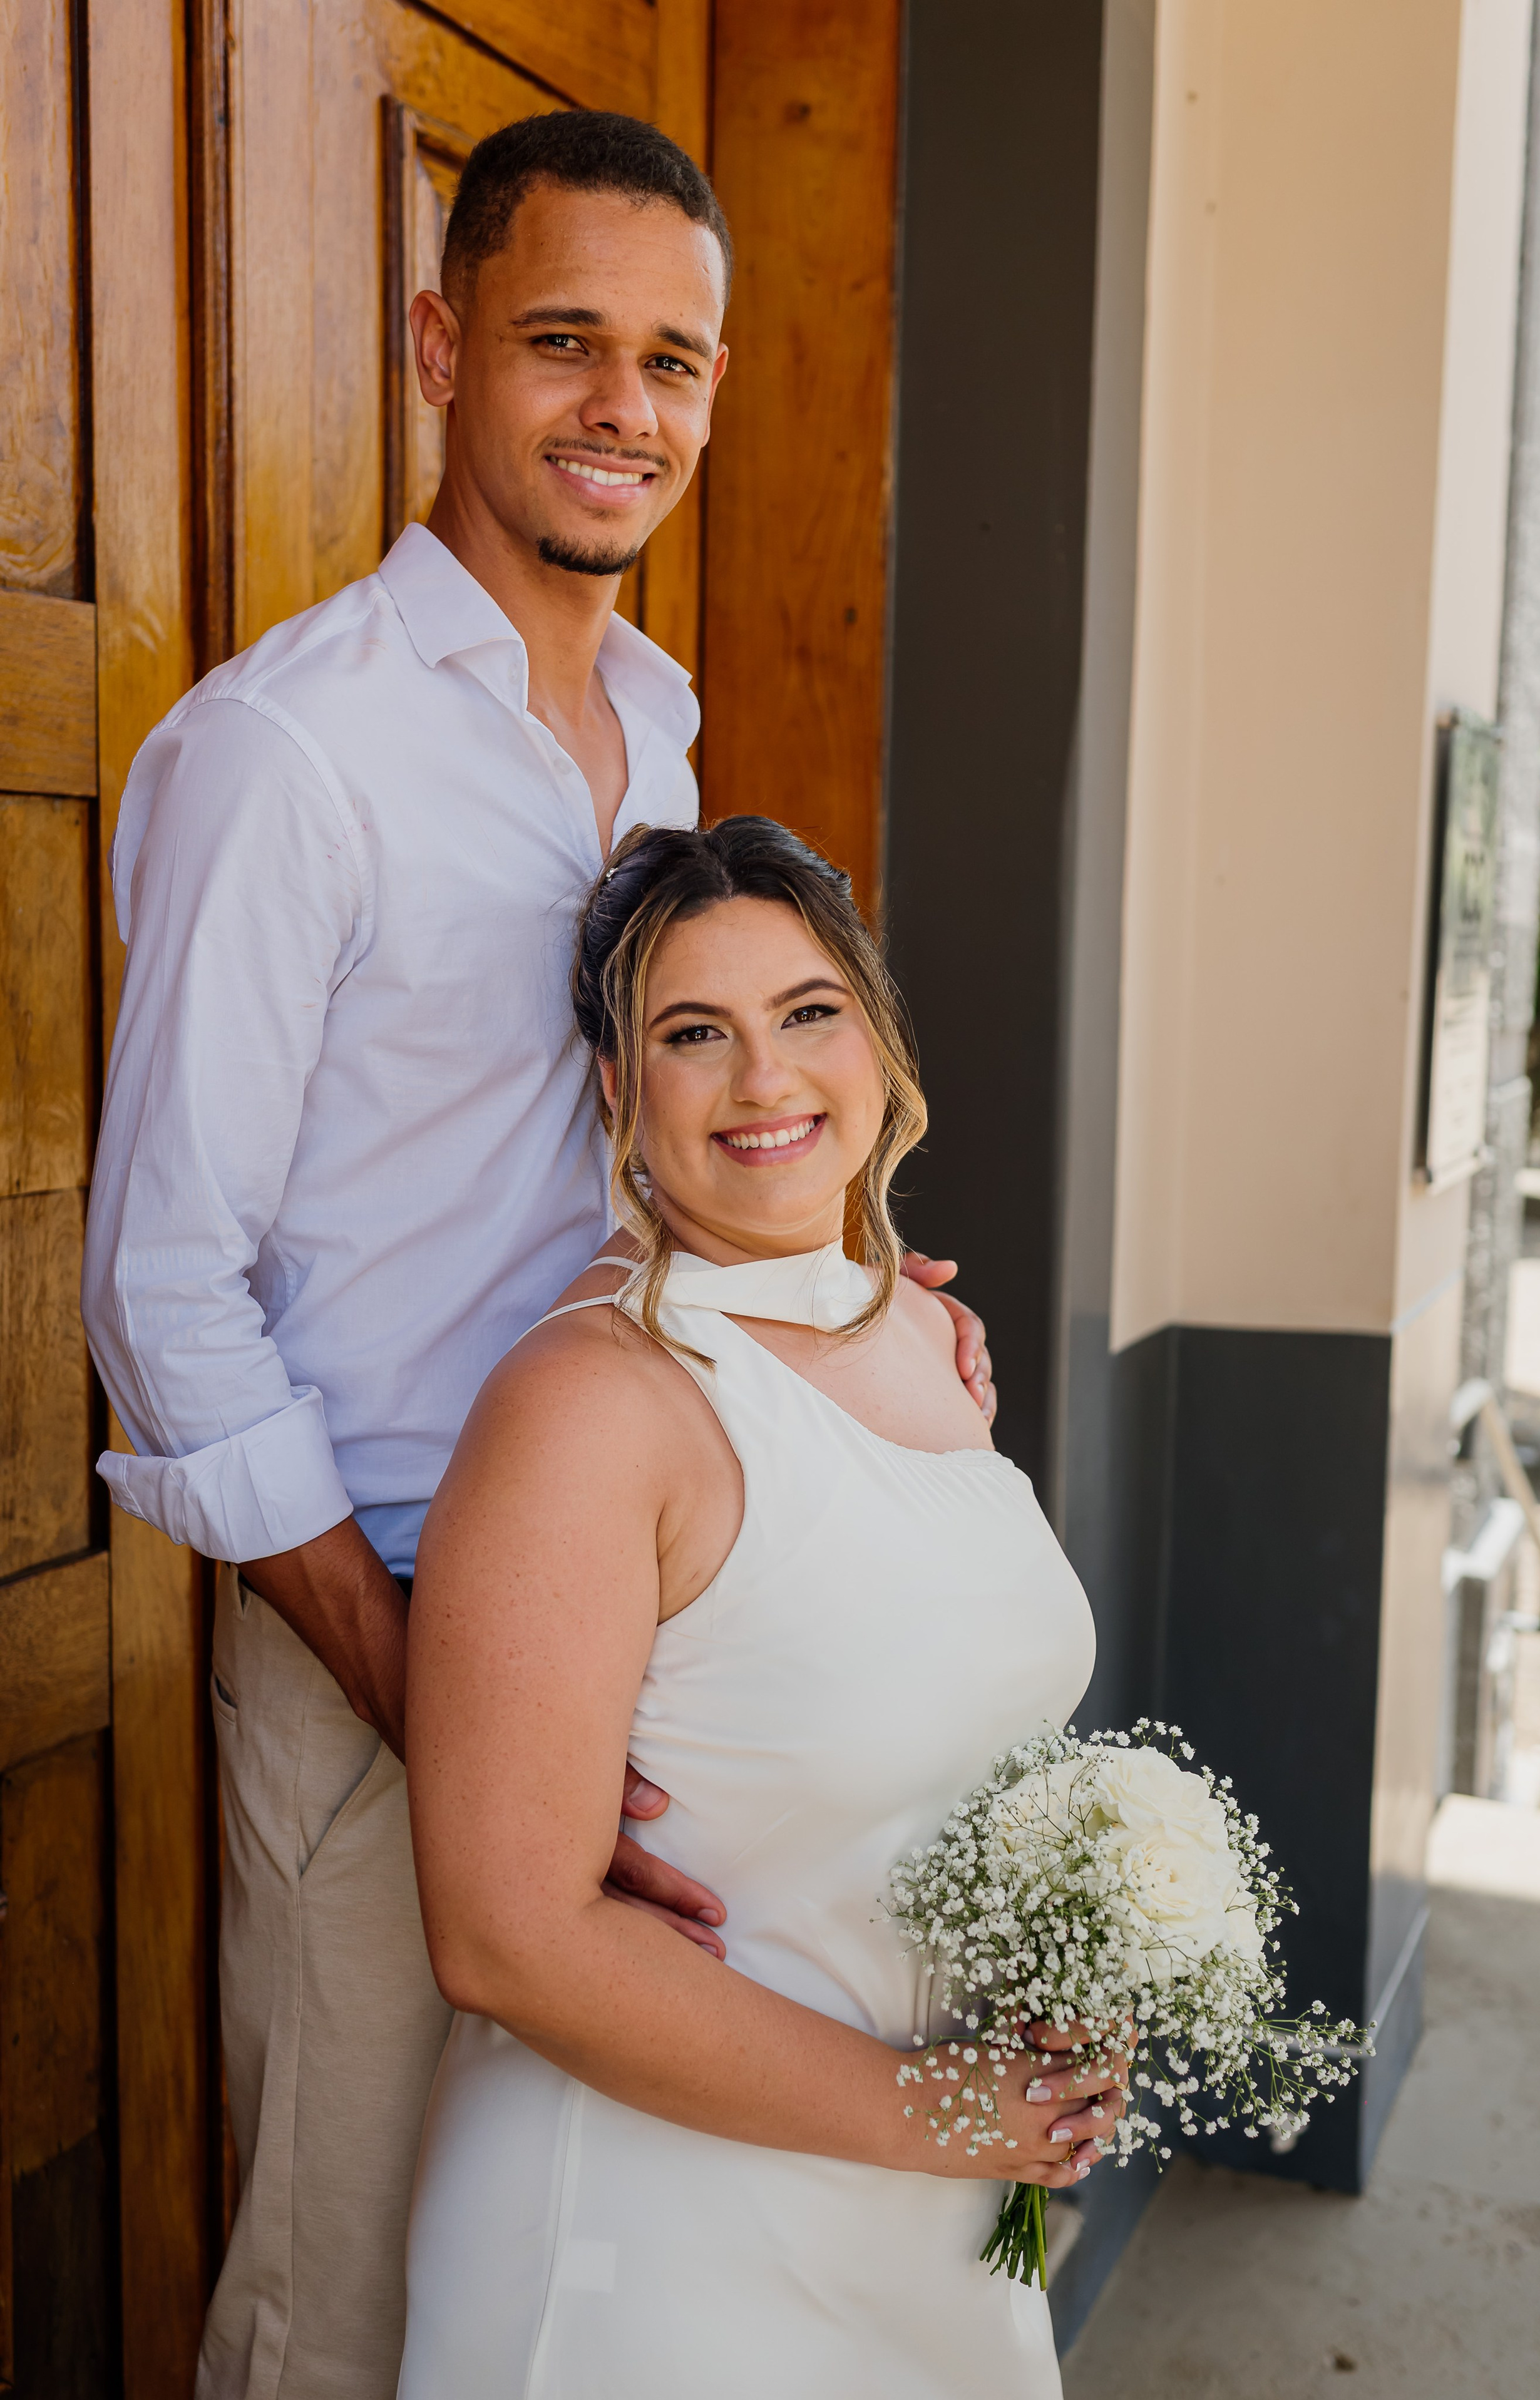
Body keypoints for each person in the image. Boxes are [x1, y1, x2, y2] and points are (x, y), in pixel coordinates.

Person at [81, 114, 992, 2400]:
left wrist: (856, 1306)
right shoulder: (286, 757)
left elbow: (668, 1141)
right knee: (345, 2288)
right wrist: (411, 1663)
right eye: (564, 342)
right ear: (438, 349)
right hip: (380, 1615)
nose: (626, 408)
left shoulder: (661, 720)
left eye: (674, 361)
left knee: (573, 2249)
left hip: (665, 1604)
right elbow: (158, 1290)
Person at [398, 816, 1118, 2400]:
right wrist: (941, 2112)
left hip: (921, 2228)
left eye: (807, 1013)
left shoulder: (920, 1340)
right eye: (690, 1034)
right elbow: (504, 1940)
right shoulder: (589, 1409)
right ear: (613, 1089)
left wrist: (1070, 1984)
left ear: (876, 1037)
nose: (765, 1079)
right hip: (660, 2255)